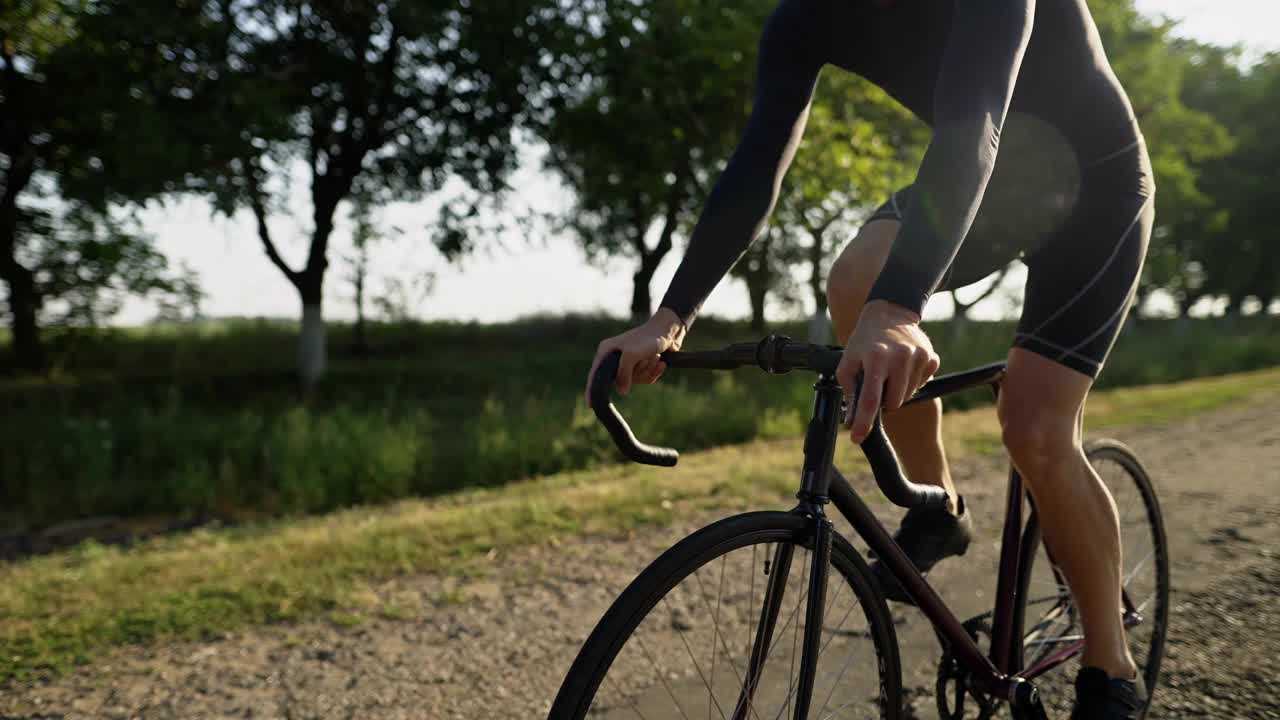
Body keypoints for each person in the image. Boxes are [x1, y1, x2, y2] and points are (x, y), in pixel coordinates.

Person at [584, 0, 1154, 717]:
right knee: (854, 280)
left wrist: (900, 309)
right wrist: (670, 317)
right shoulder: (802, 19)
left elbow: (974, 114)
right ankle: (939, 502)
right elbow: (760, 159)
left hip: (1095, 188)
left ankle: (1111, 663)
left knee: (1035, 429)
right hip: (994, 183)